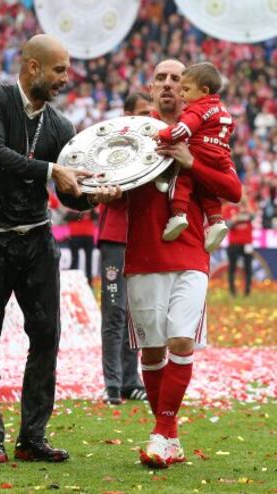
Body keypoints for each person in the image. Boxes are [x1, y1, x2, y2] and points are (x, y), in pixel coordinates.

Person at [0, 34, 120, 465]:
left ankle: (31, 437)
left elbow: (69, 196)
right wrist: (54, 169)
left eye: (66, 71)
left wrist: (93, 197)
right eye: (59, 70)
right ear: (32, 67)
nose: (65, 79)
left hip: (36, 239)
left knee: (47, 335)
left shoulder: (60, 126)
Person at [125, 59, 242, 468]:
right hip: (141, 255)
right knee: (152, 352)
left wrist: (191, 162)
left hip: (192, 253)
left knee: (180, 341)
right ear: (152, 88)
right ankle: (167, 436)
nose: (171, 85)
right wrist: (98, 195)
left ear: (192, 88)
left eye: (178, 79)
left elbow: (234, 189)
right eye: (162, 78)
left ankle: (163, 433)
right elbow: (108, 184)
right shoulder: (137, 134)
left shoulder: (206, 136)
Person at [98, 92, 152, 405]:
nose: (149, 116)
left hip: (141, 238)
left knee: (136, 315)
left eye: (152, 112)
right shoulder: (110, 147)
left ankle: (131, 381)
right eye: (143, 111)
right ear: (127, 113)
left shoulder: (153, 145)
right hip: (116, 237)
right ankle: (113, 385)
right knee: (115, 311)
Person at [155, 62, 234, 252]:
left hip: (201, 150)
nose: (182, 94)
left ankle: (178, 214)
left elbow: (184, 129)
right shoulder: (221, 108)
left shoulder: (198, 108)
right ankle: (216, 221)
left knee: (182, 178)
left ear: (204, 91)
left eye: (186, 89)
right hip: (221, 154)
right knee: (206, 188)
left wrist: (163, 134)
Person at [223, 194, 255, 296]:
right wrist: (235, 218)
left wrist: (246, 204)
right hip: (234, 243)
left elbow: (253, 216)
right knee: (232, 267)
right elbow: (227, 225)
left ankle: (247, 291)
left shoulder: (248, 207)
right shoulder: (228, 208)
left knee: (248, 268)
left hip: (247, 243)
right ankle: (232, 291)